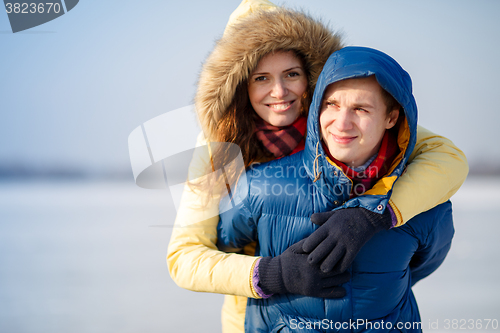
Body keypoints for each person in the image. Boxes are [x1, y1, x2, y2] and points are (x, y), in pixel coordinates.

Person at [167, 1, 468, 332]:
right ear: (241, 84)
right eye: (261, 78)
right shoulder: (216, 147)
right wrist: (273, 273)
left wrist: (377, 215)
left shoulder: (341, 120)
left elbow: (446, 159)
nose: (279, 92)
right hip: (260, 313)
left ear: (311, 76)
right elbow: (186, 257)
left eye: (292, 75)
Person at [217, 46, 455, 332]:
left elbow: (424, 262)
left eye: (361, 108)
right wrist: (277, 274)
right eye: (331, 104)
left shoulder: (421, 198)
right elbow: (225, 241)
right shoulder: (262, 185)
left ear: (391, 118)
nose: (342, 123)